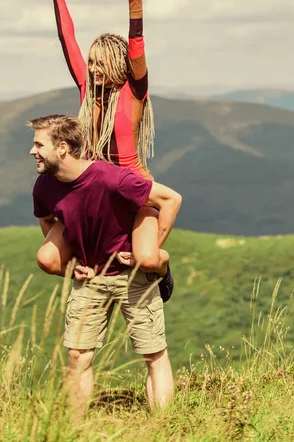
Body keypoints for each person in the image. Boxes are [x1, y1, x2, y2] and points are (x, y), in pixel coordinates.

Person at [38, 0, 173, 298]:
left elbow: (137, 41)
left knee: (145, 259)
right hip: (95, 189)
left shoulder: (134, 91)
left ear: (118, 64)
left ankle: (162, 264)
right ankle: (83, 273)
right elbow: (66, 35)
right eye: (91, 63)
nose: (93, 69)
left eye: (100, 64)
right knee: (49, 260)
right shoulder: (87, 90)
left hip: (132, 188)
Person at [28, 114, 182, 414]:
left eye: (38, 144)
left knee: (153, 355)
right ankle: (74, 429)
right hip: (91, 277)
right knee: (78, 356)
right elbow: (46, 218)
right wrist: (73, 263)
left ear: (62, 147)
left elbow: (170, 199)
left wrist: (152, 248)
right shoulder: (44, 186)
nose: (32, 151)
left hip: (132, 273)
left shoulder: (110, 178)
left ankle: (164, 425)